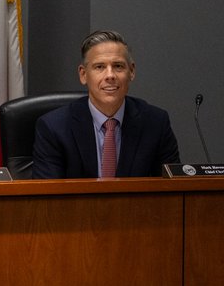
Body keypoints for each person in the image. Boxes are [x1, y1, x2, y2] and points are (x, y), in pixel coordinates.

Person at [32, 30, 178, 179]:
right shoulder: (54, 127)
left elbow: (175, 191)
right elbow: (47, 198)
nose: (110, 75)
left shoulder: (156, 123)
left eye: (118, 66)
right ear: (83, 75)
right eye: (99, 67)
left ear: (132, 71)